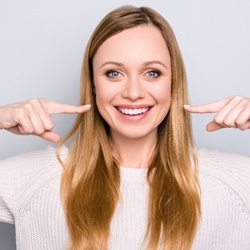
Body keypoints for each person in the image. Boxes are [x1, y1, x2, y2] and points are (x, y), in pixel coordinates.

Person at [0, 5, 249, 250]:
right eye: (113, 73)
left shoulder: (235, 183)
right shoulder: (36, 180)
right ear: (93, 83)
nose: (133, 93)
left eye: (152, 73)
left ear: (173, 82)